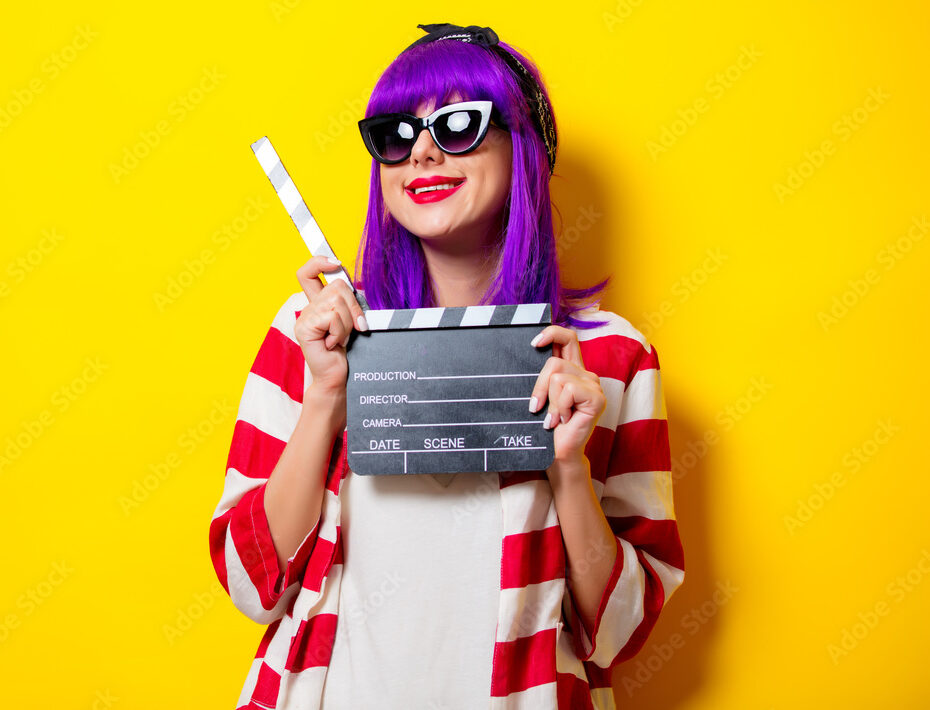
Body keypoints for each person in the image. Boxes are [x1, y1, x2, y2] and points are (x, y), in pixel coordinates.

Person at [209, 23, 685, 710]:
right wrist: (325, 401)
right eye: (396, 135)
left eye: (460, 125)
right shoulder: (312, 332)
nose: (423, 151)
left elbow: (617, 635)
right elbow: (252, 587)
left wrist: (569, 469)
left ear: (522, 148)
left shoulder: (609, 360)